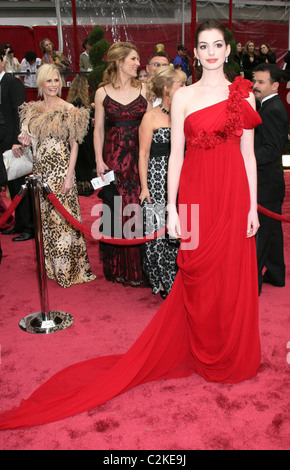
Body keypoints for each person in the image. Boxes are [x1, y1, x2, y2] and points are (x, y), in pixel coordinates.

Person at [0, 20, 262, 431]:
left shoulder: (241, 93)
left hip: (234, 196)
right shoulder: (185, 97)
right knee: (201, 273)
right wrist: (174, 209)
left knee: (233, 273)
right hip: (196, 194)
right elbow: (175, 156)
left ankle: (234, 351)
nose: (211, 52)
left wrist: (251, 207)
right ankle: (205, 348)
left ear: (228, 51)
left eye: (218, 45)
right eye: (204, 46)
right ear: (195, 53)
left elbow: (248, 156)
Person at [17, 64, 96, 288]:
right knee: (47, 222)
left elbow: (75, 146)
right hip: (41, 171)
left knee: (65, 220)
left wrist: (70, 175)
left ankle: (71, 270)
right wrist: (23, 139)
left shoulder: (69, 109)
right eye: (49, 81)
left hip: (62, 170)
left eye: (56, 81)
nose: (53, 85)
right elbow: (29, 139)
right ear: (41, 83)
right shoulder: (33, 110)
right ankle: (52, 267)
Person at [94, 41, 150, 286]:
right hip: (113, 157)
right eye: (133, 59)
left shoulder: (145, 90)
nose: (138, 63)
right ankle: (117, 267)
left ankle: (138, 269)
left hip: (139, 157)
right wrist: (98, 159)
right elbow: (98, 130)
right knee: (115, 208)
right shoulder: (102, 93)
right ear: (119, 62)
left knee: (136, 207)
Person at [139, 66, 186, 298]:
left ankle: (182, 278)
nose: (185, 88)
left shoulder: (187, 113)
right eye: (180, 84)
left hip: (184, 177)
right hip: (157, 178)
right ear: (167, 88)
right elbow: (143, 154)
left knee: (183, 227)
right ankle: (163, 280)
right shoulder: (151, 117)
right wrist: (145, 187)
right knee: (158, 230)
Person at [252, 63, 289, 295]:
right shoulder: (268, 106)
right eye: (254, 81)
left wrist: (244, 157)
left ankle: (251, 282)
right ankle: (276, 275)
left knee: (262, 233)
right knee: (272, 232)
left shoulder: (273, 109)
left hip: (266, 182)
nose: (255, 86)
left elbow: (272, 150)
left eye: (261, 82)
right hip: (270, 181)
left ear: (275, 85)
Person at [0, 47, 34, 242]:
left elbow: (21, 113)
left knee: (20, 185)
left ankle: (29, 225)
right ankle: (19, 223)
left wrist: (17, 141)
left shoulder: (12, 83)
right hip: (2, 143)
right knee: (12, 186)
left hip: (13, 144)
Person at [66, 75, 95, 197]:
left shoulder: (74, 102)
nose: (88, 86)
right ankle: (82, 186)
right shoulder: (79, 103)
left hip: (80, 139)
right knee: (82, 164)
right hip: (82, 140)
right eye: (86, 84)